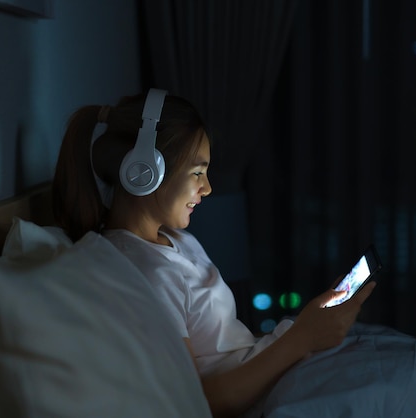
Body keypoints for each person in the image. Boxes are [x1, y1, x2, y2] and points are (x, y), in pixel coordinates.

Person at [52, 89, 376, 417]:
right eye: (197, 172)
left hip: (279, 368)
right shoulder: (145, 274)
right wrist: (303, 337)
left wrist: (310, 324)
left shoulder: (178, 240)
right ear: (144, 170)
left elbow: (223, 347)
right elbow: (198, 403)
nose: (207, 188)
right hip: (268, 396)